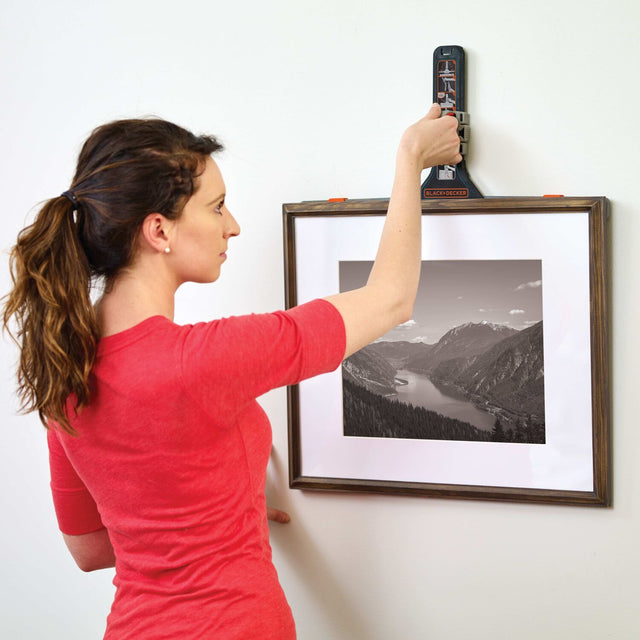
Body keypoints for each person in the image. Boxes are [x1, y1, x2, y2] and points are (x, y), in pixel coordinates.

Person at [3, 105, 461, 639]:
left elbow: (88, 550)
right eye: (217, 207)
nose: (234, 225)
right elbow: (391, 299)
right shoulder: (201, 361)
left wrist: (210, 517)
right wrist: (411, 160)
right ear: (158, 230)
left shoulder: (64, 371)